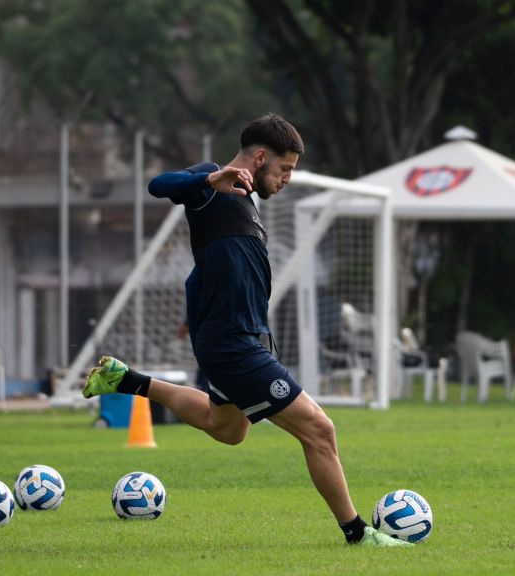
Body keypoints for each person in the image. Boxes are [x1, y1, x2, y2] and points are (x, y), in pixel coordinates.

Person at [83, 114, 412, 547]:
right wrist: (209, 179)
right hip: (233, 344)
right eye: (284, 169)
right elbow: (159, 185)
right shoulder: (208, 184)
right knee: (319, 430)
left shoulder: (245, 203)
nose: (288, 179)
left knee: (227, 429)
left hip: (245, 339)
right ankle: (357, 533)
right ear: (259, 157)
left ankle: (126, 380)